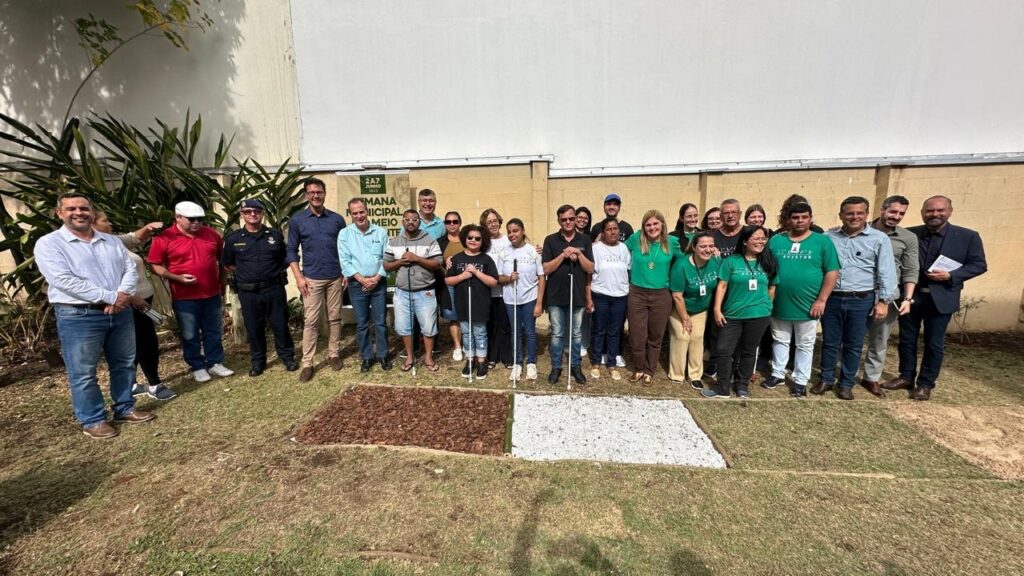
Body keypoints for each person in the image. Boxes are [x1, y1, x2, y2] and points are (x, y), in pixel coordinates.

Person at [36, 193, 154, 438]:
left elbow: (129, 270)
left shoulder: (109, 241)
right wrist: (111, 297)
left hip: (119, 312)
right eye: (71, 209)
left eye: (84, 208)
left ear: (91, 211)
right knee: (83, 371)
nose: (78, 212)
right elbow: (63, 281)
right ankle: (93, 419)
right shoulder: (50, 244)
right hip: (79, 316)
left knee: (123, 363)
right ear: (59, 213)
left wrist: (122, 295)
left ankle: (125, 407)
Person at [884, 195, 987, 400]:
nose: (935, 214)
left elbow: (979, 265)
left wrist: (951, 275)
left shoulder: (967, 236)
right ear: (923, 213)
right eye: (930, 211)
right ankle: (906, 376)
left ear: (949, 211)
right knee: (906, 340)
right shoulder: (910, 234)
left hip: (942, 297)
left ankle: (925, 383)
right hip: (911, 296)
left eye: (940, 210)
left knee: (934, 343)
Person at [814, 196, 897, 400]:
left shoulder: (879, 239)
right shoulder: (828, 237)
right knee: (830, 341)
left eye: (859, 213)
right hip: (832, 298)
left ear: (867, 215)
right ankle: (826, 378)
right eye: (849, 213)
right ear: (841, 215)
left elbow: (886, 271)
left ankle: (846, 384)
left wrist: (883, 301)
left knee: (854, 343)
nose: (854, 217)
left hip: (861, 299)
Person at [93, 212, 176, 400]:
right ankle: (155, 384)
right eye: (105, 220)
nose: (110, 222)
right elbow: (108, 279)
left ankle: (132, 384)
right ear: (93, 225)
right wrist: (133, 298)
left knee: (138, 341)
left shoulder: (112, 241)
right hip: (130, 302)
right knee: (145, 341)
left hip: (143, 298)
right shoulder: (96, 249)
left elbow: (134, 238)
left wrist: (147, 228)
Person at [148, 201, 234, 382]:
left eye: (200, 219)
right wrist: (175, 277)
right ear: (178, 217)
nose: (197, 223)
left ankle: (215, 362)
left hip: (211, 293)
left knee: (213, 330)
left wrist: (222, 287)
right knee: (190, 333)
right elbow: (154, 264)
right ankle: (197, 365)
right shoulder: (165, 238)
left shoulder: (211, 235)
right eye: (191, 219)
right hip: (184, 297)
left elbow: (222, 262)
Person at [764, 203, 840, 397]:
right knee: (779, 340)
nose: (799, 221)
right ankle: (778, 373)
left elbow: (832, 272)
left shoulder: (822, 242)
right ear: (789, 220)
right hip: (778, 302)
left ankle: (800, 380)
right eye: (795, 218)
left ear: (810, 218)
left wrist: (822, 300)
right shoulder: (776, 241)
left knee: (805, 344)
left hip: (808, 305)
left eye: (804, 217)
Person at [222, 199, 298, 377]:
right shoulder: (233, 239)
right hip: (249, 292)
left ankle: (287, 357)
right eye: (248, 211)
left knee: (280, 324)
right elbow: (228, 264)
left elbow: (283, 260)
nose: (252, 214)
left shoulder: (274, 235)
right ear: (242, 215)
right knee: (254, 327)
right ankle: (258, 362)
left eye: (256, 211)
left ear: (262, 213)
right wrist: (248, 273)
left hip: (273, 289)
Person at [702, 226, 777, 398]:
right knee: (723, 349)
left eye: (762, 239)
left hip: (759, 315)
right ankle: (722, 387)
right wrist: (717, 309)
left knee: (749, 351)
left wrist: (767, 306)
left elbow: (772, 287)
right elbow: (722, 285)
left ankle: (742, 385)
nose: (760, 242)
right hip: (733, 314)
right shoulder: (732, 261)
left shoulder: (768, 261)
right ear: (745, 241)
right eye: (756, 238)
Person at [287, 177, 347, 382]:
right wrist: (298, 277)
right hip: (311, 279)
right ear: (306, 195)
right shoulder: (297, 220)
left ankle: (333, 354)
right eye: (311, 192)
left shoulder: (337, 220)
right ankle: (307, 363)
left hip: (335, 277)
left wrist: (345, 273)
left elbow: (345, 249)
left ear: (324, 193)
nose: (315, 195)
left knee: (335, 318)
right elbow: (291, 252)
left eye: (319, 192)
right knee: (311, 321)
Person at [860, 196, 918, 396]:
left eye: (901, 213)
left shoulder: (907, 238)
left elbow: (911, 270)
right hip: (858, 292)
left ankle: (871, 377)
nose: (896, 216)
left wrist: (908, 299)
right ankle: (844, 374)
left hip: (888, 296)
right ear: (882, 210)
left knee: (879, 339)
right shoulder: (860, 229)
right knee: (849, 338)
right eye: (893, 212)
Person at [624, 210, 683, 383]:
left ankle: (650, 370)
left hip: (661, 294)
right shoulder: (636, 239)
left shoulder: (672, 242)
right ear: (643, 227)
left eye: (656, 224)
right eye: (648, 224)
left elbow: (686, 261)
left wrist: (714, 256)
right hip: (637, 293)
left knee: (655, 335)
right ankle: (639, 368)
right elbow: (615, 247)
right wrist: (596, 243)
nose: (652, 228)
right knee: (636, 335)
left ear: (662, 224)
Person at [384, 209, 443, 372]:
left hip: (425, 291)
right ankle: (410, 356)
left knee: (429, 327)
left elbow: (438, 263)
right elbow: (386, 265)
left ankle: (428, 357)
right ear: (402, 221)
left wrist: (416, 258)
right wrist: (400, 262)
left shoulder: (429, 239)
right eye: (407, 219)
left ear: (419, 222)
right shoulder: (394, 241)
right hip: (402, 292)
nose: (411, 222)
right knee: (404, 327)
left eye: (415, 220)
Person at [542, 205, 594, 385]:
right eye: (564, 219)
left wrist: (579, 254)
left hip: (577, 294)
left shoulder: (585, 240)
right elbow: (546, 268)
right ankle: (556, 366)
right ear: (559, 221)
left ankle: (575, 365)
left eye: (571, 218)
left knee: (576, 334)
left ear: (575, 219)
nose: (568, 222)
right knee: (557, 334)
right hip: (556, 296)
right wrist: (563, 256)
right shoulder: (550, 240)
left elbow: (590, 268)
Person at [338, 197, 391, 373]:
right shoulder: (345, 234)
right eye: (355, 213)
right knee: (361, 323)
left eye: (362, 212)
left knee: (380, 322)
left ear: (367, 211)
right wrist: (362, 279)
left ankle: (383, 355)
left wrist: (375, 279)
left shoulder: (380, 232)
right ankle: (367, 357)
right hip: (356, 284)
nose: (359, 216)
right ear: (350, 214)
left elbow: (387, 258)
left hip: (378, 282)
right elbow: (345, 261)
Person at [667, 231, 720, 388]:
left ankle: (695, 374)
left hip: (701, 308)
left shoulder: (716, 262)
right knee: (682, 336)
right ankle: (677, 374)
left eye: (711, 246)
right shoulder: (682, 265)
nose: (707, 250)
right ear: (694, 247)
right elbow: (677, 295)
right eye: (703, 246)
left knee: (697, 338)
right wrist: (685, 318)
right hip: (680, 307)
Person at [446, 224, 499, 379]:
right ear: (465, 239)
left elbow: (493, 282)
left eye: (477, 238)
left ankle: (481, 361)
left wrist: (476, 272)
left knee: (480, 332)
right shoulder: (456, 259)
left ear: (482, 241)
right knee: (467, 333)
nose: (473, 240)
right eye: (470, 237)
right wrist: (463, 276)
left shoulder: (486, 259)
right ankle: (470, 360)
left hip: (480, 303)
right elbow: (448, 280)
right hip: (463, 302)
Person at [497, 219, 545, 381]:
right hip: (511, 299)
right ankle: (517, 363)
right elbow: (498, 277)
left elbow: (541, 277)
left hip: (529, 297)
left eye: (515, 231)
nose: (512, 234)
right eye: (509, 231)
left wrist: (539, 303)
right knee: (515, 331)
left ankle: (531, 362)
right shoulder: (504, 252)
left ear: (523, 231)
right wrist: (509, 278)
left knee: (530, 331)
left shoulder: (533, 251)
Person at [589, 217, 631, 380]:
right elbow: (590, 273)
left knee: (615, 331)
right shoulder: (596, 249)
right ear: (603, 232)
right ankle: (596, 362)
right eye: (609, 229)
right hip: (600, 295)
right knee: (599, 329)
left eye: (615, 229)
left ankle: (612, 363)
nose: (613, 232)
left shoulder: (624, 248)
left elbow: (628, 270)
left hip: (620, 296)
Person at [480, 208, 513, 369]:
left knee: (505, 325)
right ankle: (492, 357)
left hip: (505, 289)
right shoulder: (483, 242)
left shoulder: (508, 240)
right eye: (489, 222)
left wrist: (536, 251)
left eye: (495, 221)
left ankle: (507, 357)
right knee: (491, 325)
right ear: (484, 226)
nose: (492, 224)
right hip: (488, 290)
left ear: (499, 222)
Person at [438, 211, 464, 361]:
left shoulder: (468, 239)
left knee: (468, 316)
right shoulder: (440, 242)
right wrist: (444, 264)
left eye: (455, 221)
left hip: (468, 283)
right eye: (448, 222)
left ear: (460, 223)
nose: (452, 224)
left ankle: (468, 344)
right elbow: (435, 262)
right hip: (449, 284)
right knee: (454, 317)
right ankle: (457, 347)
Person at [575, 205, 594, 359]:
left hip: (585, 281)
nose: (582, 220)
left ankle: (583, 343)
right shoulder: (565, 237)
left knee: (584, 315)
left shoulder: (589, 239)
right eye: (579, 217)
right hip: (569, 280)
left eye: (585, 218)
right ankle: (569, 342)